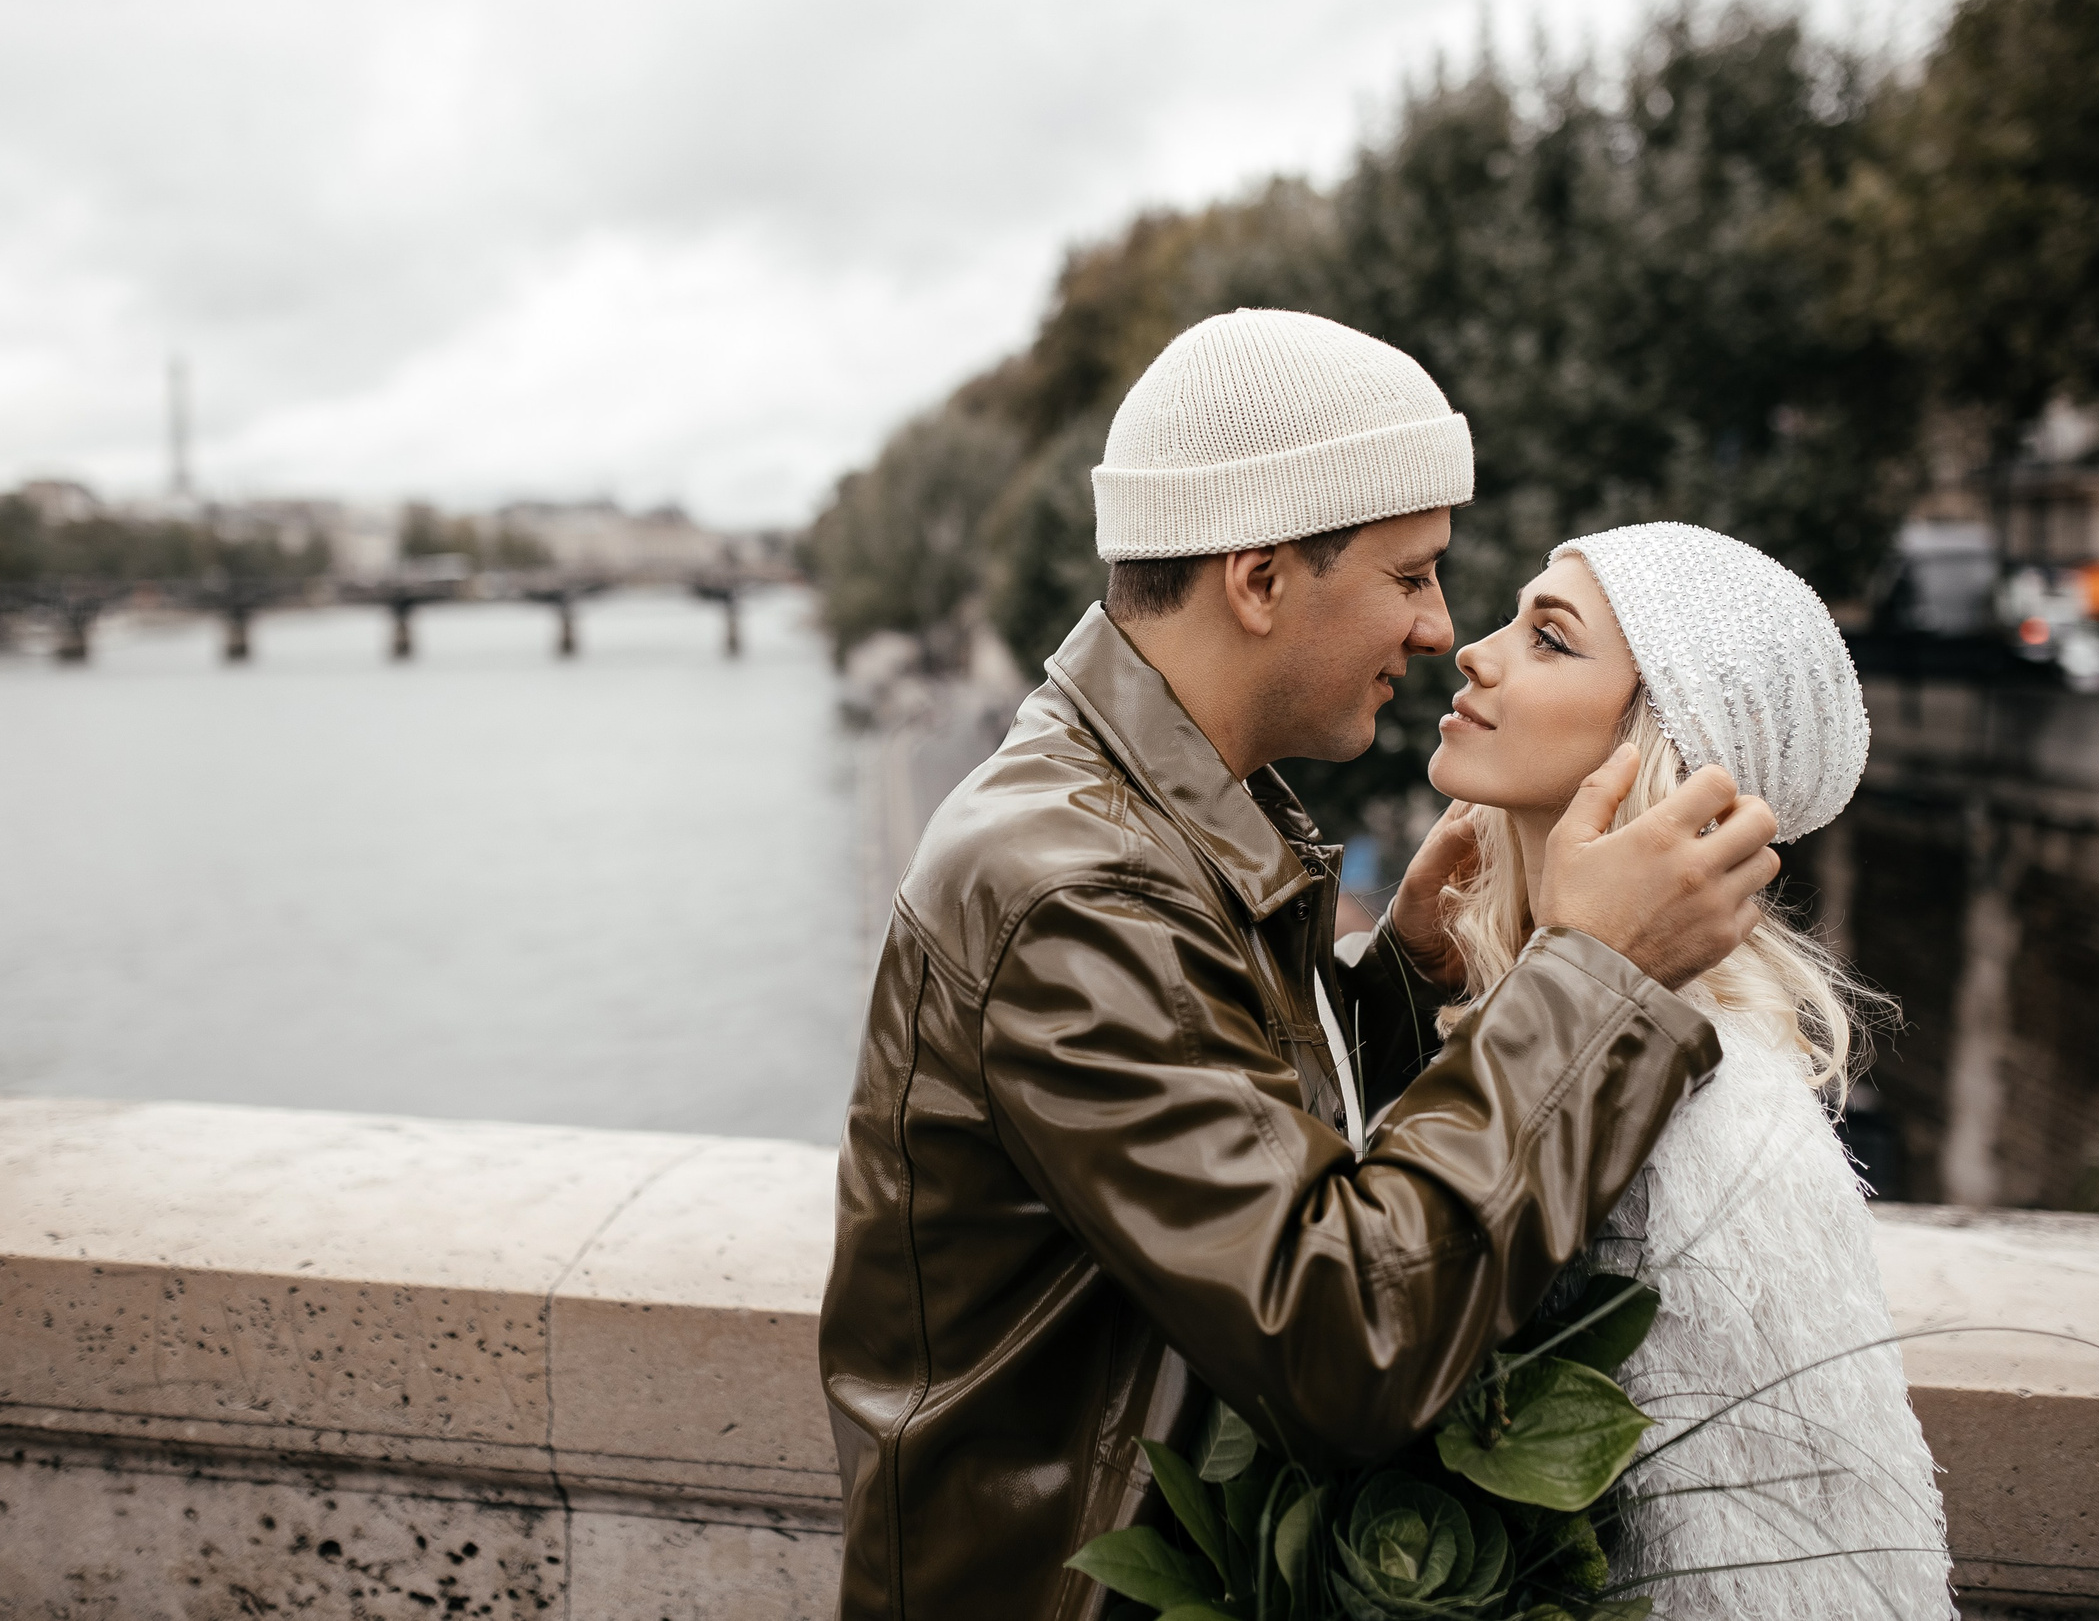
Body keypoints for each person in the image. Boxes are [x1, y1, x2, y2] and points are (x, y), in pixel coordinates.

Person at [819, 310, 1781, 1620]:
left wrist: (1393, 990)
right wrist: (1593, 974)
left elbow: (1198, 1139)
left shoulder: (1139, 814)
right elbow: (1344, 1335)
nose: (1442, 626)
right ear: (1262, 579)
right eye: (1411, 573)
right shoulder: (1070, 882)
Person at [1429, 520, 1954, 1619]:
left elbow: (1804, 1565)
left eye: (1549, 639)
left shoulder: (1725, 1105)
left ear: (1660, 744)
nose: (1474, 650)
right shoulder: (1494, 1002)